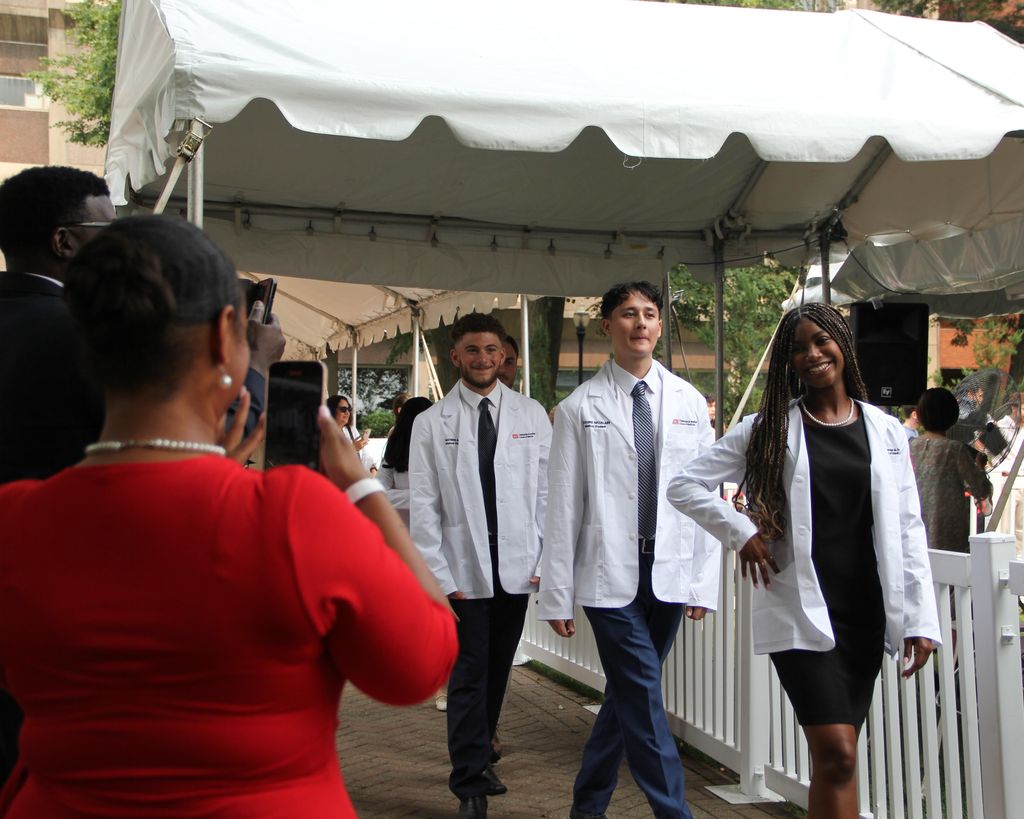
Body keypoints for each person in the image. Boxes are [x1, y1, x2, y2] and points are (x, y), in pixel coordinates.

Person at [0, 215, 457, 818]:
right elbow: (419, 666)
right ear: (224, 336)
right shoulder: (292, 511)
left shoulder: (15, 518)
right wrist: (357, 489)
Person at [667, 303, 940, 819]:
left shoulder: (885, 431)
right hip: (800, 609)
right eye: (798, 348)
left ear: (843, 343)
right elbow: (684, 485)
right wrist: (741, 531)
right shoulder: (768, 428)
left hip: (863, 613)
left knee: (837, 762)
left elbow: (908, 528)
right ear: (788, 362)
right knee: (836, 751)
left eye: (821, 341)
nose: (812, 354)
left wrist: (921, 618)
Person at [537, 281, 719, 819]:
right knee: (642, 692)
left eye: (648, 314)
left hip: (669, 567)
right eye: (626, 314)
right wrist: (557, 594)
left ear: (659, 326)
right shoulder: (578, 407)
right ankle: (673, 812)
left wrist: (703, 581)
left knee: (626, 698)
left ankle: (586, 807)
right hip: (606, 573)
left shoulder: (688, 401)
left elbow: (704, 496)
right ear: (607, 327)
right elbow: (563, 503)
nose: (639, 323)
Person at [409, 313, 551, 819]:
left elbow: (545, 493)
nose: (484, 359)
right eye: (473, 350)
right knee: (469, 673)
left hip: (515, 566)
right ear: (456, 357)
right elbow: (424, 506)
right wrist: (438, 577)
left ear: (503, 356)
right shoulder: (431, 424)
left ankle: (483, 753)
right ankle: (468, 783)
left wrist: (543, 557)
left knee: (495, 671)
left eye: (492, 350)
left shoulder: (531, 414)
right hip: (462, 569)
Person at [910, 387, 992, 553]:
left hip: (914, 529)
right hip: (947, 534)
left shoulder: (910, 446)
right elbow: (980, 487)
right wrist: (980, 465)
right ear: (952, 415)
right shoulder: (954, 449)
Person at [378, 396, 433, 526]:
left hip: (435, 532)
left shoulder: (440, 451)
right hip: (402, 532)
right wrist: (419, 497)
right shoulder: (394, 453)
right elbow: (379, 493)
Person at [327, 394, 376, 471]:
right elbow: (330, 460)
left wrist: (373, 468)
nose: (347, 413)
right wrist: (353, 448)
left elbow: (364, 454)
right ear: (332, 410)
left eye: (349, 409)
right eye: (343, 409)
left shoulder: (351, 430)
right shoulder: (325, 433)